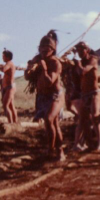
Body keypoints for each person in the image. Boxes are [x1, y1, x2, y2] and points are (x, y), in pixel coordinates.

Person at [33, 31, 65, 160]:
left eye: (47, 50)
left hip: (55, 96)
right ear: (39, 49)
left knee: (49, 119)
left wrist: (44, 69)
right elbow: (27, 76)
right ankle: (59, 150)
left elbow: (49, 81)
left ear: (52, 50)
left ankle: (51, 150)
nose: (44, 52)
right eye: (42, 49)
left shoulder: (55, 63)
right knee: (54, 124)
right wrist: (31, 67)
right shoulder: (38, 59)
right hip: (42, 97)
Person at [75, 43, 100, 153]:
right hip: (84, 94)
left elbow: (82, 72)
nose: (79, 53)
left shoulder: (93, 60)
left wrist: (77, 63)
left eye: (81, 50)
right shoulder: (81, 61)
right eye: (77, 51)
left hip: (94, 93)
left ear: (87, 50)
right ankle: (82, 143)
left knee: (95, 116)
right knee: (82, 119)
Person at [0, 50, 18, 124]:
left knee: (5, 105)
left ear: (7, 57)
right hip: (9, 87)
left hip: (10, 87)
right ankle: (15, 122)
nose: (2, 58)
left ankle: (11, 123)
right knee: (11, 106)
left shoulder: (9, 63)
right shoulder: (9, 64)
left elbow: (3, 69)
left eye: (3, 56)